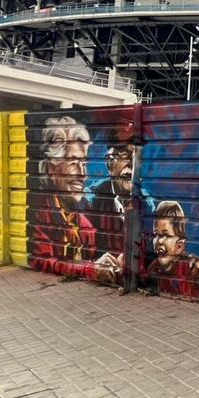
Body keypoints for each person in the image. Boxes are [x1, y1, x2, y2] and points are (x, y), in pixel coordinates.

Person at [29, 116, 121, 285]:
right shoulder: (38, 213)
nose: (82, 174)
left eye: (84, 164)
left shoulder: (84, 225)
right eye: (73, 163)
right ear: (51, 167)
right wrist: (89, 269)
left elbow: (91, 261)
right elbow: (40, 260)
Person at [87, 121, 135, 260]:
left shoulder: (148, 205)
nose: (131, 164)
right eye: (125, 155)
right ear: (109, 163)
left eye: (136, 156)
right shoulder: (90, 201)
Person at [147, 200, 199, 299]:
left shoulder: (191, 267)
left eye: (166, 235)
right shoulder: (153, 268)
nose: (159, 241)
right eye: (156, 234)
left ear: (180, 246)